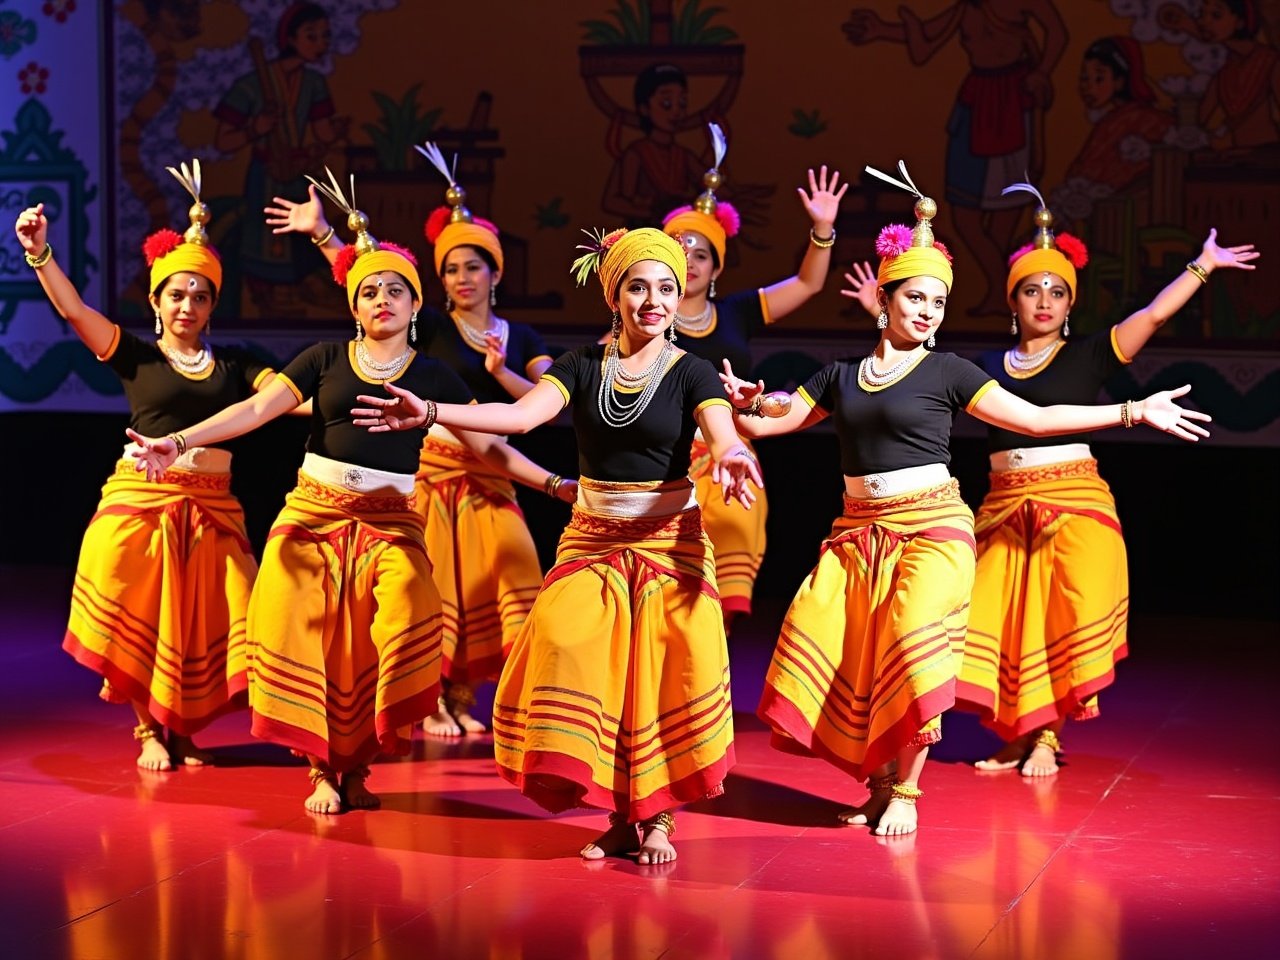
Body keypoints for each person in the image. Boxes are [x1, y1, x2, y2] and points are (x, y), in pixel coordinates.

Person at [720, 165, 1210, 837]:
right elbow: (772, 422)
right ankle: (880, 779)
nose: (926, 311)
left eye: (937, 303)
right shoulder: (839, 375)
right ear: (886, 300)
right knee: (839, 647)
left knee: (914, 647)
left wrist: (1132, 410)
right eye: (915, 298)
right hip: (858, 533)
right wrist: (741, 407)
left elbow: (1034, 421)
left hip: (933, 529)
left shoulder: (950, 371)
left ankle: (909, 791)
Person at [129, 180, 575, 813]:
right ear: (355, 307)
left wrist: (556, 484)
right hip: (312, 517)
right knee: (303, 634)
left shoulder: (431, 376)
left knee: (395, 631)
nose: (382, 298)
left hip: (392, 522)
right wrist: (176, 441)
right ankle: (323, 767)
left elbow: (490, 449)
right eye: (369, 290)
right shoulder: (324, 358)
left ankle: (360, 760)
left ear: (415, 304)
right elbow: (255, 409)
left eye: (395, 289)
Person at [349, 227, 761, 862]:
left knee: (652, 678)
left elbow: (719, 427)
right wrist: (431, 412)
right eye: (638, 287)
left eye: (667, 289)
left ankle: (651, 819)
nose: (653, 300)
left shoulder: (692, 370)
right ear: (614, 296)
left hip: (666, 543)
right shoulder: (582, 366)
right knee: (573, 651)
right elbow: (519, 418)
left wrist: (733, 452)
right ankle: (616, 811)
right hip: (593, 538)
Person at [953, 185, 1253, 775]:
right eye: (1033, 290)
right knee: (1007, 622)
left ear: (1071, 304)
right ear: (1012, 301)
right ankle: (1017, 735)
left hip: (1074, 501)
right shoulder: (984, 367)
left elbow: (1155, 314)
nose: (1045, 300)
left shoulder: (1091, 354)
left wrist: (1203, 265)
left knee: (1063, 615)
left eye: (1058, 292)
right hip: (1004, 504)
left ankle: (1046, 738)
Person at [265, 147, 556, 738]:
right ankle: (437, 698)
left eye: (472, 268)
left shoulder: (522, 336)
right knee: (438, 587)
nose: (461, 280)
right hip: (432, 467)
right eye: (449, 271)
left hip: (492, 465)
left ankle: (471, 693)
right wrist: (323, 234)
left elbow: (537, 406)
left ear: (496, 272)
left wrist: (502, 371)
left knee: (512, 574)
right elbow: (370, 288)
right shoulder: (433, 327)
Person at [15, 161, 273, 771]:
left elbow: (281, 400)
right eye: (177, 294)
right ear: (156, 300)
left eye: (200, 295)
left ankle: (183, 729)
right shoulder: (135, 355)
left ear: (213, 305)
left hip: (212, 506)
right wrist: (40, 253)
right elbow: (75, 311)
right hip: (145, 500)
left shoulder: (236, 364)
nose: (188, 304)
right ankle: (148, 730)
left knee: (210, 618)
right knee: (143, 614)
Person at [659, 123, 847, 628]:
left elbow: (809, 283)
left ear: (717, 268)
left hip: (727, 452)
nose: (691, 262)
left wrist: (822, 230)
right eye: (680, 251)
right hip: (662, 456)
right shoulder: (645, 317)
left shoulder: (738, 313)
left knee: (715, 593)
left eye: (702, 254)